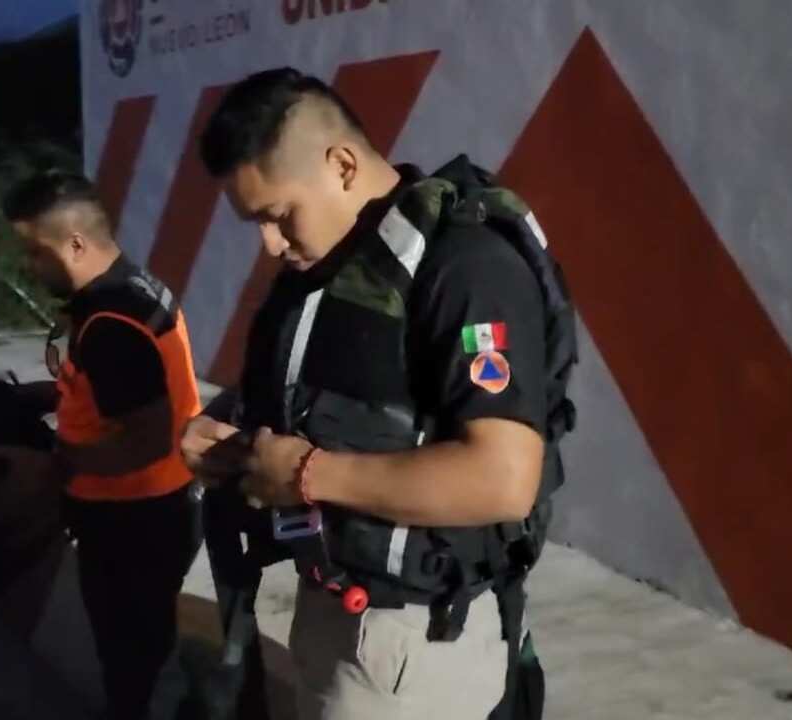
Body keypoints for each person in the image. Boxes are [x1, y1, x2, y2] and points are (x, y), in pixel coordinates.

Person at [181, 68, 575, 720]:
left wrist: (308, 474)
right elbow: (313, 404)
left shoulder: (466, 268)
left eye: (278, 216)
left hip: (411, 648)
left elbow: (503, 477)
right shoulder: (326, 271)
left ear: (340, 165)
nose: (270, 244)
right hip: (331, 612)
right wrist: (220, 431)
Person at [1, 170, 205, 720]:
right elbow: (127, 389)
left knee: (130, 664)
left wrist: (58, 466)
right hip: (166, 504)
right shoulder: (136, 283)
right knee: (150, 646)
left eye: (34, 253)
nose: (29, 266)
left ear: (74, 244)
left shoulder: (110, 320)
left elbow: (145, 439)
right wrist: (59, 393)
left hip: (131, 518)